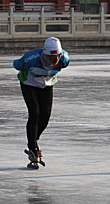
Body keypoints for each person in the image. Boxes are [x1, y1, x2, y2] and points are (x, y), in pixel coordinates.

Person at [13, 37, 70, 169]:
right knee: (35, 112)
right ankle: (32, 147)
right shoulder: (30, 59)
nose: (54, 60)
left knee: (45, 115)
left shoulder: (64, 60)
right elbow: (17, 65)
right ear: (44, 54)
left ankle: (34, 139)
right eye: (50, 57)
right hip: (29, 83)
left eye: (57, 57)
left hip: (47, 84)